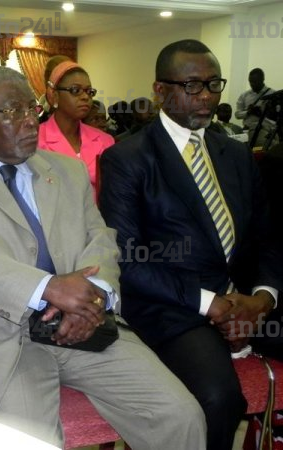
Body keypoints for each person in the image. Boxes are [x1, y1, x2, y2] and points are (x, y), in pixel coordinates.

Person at [0, 66, 206, 449]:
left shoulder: (67, 170)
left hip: (86, 324)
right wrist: (49, 288)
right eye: (13, 111)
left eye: (31, 109)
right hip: (3, 334)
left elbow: (100, 237)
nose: (30, 121)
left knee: (180, 415)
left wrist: (93, 297)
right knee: (29, 441)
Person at [99, 39, 283, 450]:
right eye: (192, 85)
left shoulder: (235, 153)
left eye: (214, 84)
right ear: (160, 90)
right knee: (218, 398)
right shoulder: (128, 158)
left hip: (245, 300)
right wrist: (212, 304)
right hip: (174, 306)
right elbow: (126, 258)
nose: (206, 96)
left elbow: (266, 237)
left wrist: (262, 299)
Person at [38, 61, 114, 196]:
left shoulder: (105, 141)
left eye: (89, 91)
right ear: (55, 95)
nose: (85, 97)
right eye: (75, 90)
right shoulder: (35, 141)